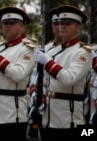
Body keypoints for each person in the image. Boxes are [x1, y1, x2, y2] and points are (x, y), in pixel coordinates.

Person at [35, 5, 91, 141]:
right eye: (60, 23)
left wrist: (48, 63)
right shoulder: (52, 51)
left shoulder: (83, 52)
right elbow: (43, 80)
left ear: (78, 27)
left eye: (68, 24)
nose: (62, 27)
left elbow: (69, 79)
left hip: (69, 119)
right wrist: (39, 95)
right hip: (48, 117)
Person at [0, 7, 35, 141]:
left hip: (14, 111)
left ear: (22, 26)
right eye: (5, 23)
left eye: (12, 23)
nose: (7, 26)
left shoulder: (27, 49)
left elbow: (19, 74)